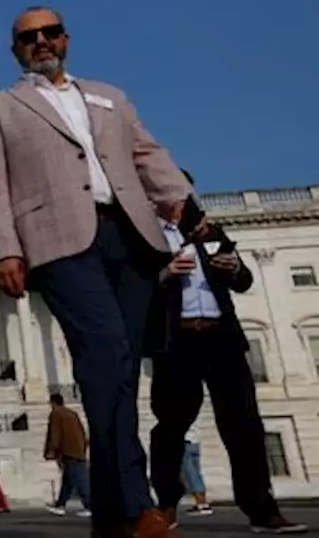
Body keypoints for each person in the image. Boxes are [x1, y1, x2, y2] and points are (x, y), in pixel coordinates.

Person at [0, 5, 193, 538]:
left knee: (114, 372)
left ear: (66, 39)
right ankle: (134, 506)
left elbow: (148, 156)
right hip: (59, 243)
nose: (40, 42)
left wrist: (187, 208)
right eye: (28, 37)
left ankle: (115, 512)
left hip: (129, 235)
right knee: (107, 351)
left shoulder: (109, 96)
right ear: (15, 48)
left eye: (50, 33)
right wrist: (3, 248)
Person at [146, 173, 306, 534]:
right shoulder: (147, 239)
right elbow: (137, 290)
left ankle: (262, 509)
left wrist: (234, 268)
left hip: (222, 338)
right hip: (177, 341)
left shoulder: (210, 233)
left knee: (245, 425)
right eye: (182, 194)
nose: (188, 200)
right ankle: (166, 506)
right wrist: (166, 273)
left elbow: (245, 279)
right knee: (171, 427)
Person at [43, 393, 91, 518]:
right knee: (68, 480)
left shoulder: (56, 414)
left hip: (69, 451)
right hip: (78, 450)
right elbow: (82, 432)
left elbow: (55, 433)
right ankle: (60, 505)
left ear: (53, 403)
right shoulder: (72, 413)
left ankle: (90, 506)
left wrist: (52, 450)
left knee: (80, 480)